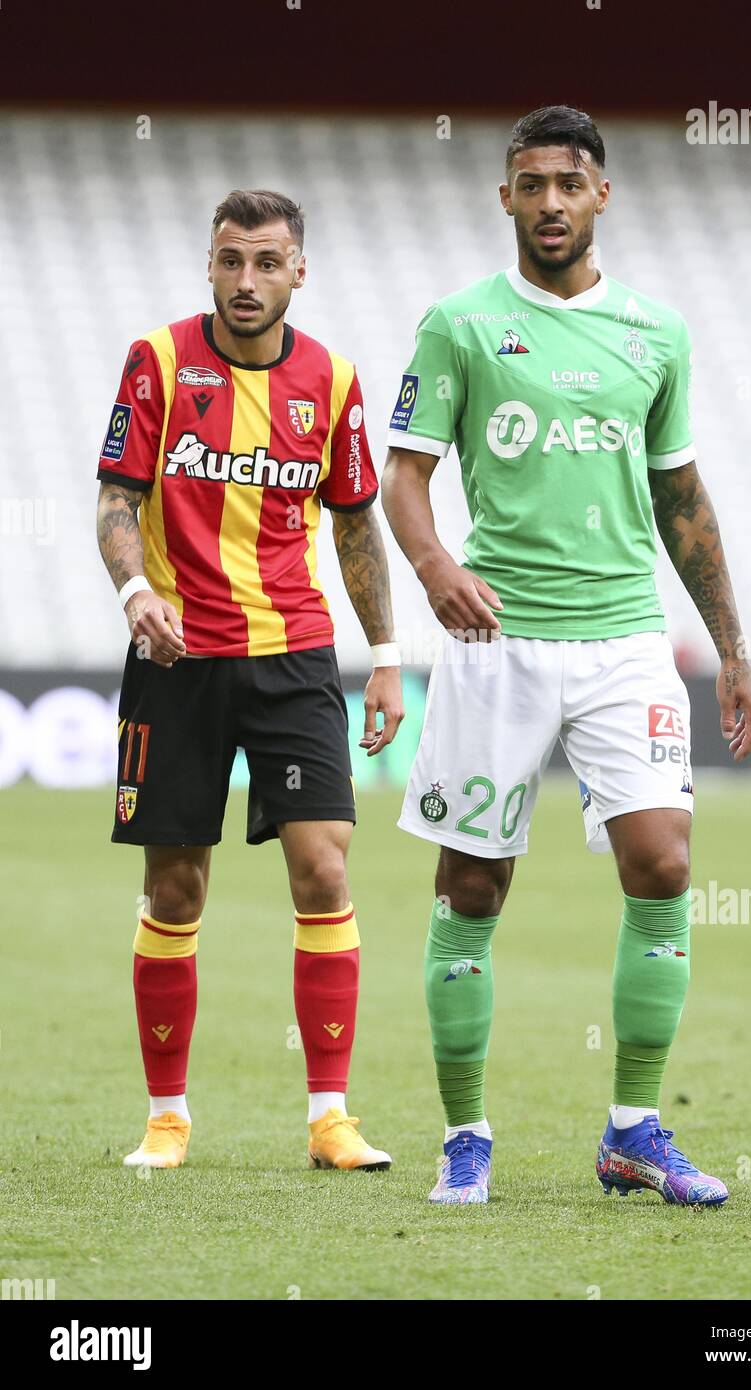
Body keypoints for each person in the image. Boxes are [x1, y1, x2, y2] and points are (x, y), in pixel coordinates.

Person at [382, 108, 751, 1205]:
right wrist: (434, 567)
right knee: (471, 886)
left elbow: (680, 495)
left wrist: (730, 648)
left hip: (624, 640)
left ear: (602, 197)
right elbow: (402, 474)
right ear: (504, 197)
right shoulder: (458, 324)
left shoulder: (655, 333)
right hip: (496, 640)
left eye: (569, 183)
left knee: (664, 864)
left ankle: (633, 1129)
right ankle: (466, 1136)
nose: (549, 201)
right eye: (530, 183)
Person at [96, 188, 403, 1172]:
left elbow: (355, 523)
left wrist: (387, 656)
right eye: (229, 259)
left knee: (322, 867)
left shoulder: (334, 379)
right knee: (176, 888)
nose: (244, 280)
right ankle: (167, 1118)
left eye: (266, 262)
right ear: (210, 263)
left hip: (292, 656)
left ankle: (329, 1119)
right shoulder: (157, 363)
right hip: (175, 659)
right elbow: (116, 498)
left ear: (297, 271)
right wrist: (136, 588)